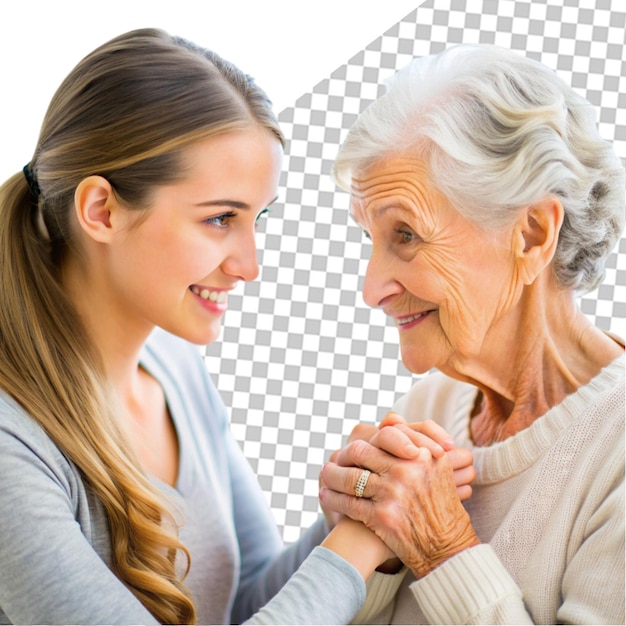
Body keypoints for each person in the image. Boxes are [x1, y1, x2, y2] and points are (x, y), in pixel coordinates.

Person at [0, 28, 480, 625]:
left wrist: (364, 503)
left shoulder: (175, 368)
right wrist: (358, 544)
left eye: (258, 219)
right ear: (102, 210)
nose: (250, 266)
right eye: (220, 218)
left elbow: (244, 600)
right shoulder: (11, 443)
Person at [320, 44, 625, 625]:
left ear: (532, 233)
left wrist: (440, 551)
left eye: (405, 234)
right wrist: (372, 548)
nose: (372, 287)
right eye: (371, 239)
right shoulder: (431, 408)